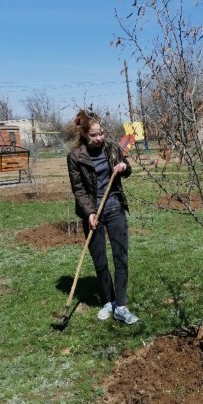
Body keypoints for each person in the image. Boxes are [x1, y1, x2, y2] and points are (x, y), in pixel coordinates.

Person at [67, 109, 138, 324]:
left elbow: (127, 170)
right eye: (94, 135)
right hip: (93, 214)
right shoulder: (75, 157)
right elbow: (78, 189)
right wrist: (89, 212)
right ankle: (109, 300)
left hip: (115, 208)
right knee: (100, 261)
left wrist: (123, 166)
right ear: (84, 135)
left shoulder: (112, 148)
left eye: (101, 133)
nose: (99, 138)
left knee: (121, 258)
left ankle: (121, 306)